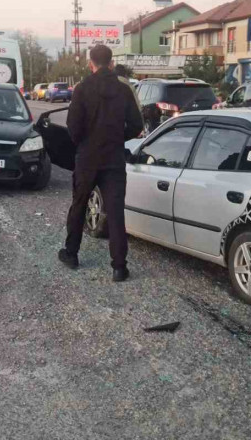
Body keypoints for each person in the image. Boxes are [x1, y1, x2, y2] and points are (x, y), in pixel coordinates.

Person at [58, 45, 143, 282]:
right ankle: (118, 267)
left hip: (87, 158)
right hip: (114, 158)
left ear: (90, 63)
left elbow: (73, 128)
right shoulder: (123, 88)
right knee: (115, 212)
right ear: (111, 63)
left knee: (79, 204)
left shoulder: (82, 88)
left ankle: (71, 254)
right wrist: (117, 137)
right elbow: (137, 125)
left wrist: (86, 142)